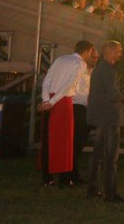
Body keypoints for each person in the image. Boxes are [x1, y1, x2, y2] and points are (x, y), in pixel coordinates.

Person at [39, 40, 95, 188]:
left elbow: (47, 80)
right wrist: (54, 101)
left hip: (51, 98)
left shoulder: (60, 59)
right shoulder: (80, 64)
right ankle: (65, 178)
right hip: (63, 102)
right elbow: (69, 85)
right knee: (66, 141)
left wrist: (46, 99)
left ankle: (47, 176)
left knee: (48, 139)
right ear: (87, 51)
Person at [86, 40, 124, 203]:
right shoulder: (109, 71)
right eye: (118, 51)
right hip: (110, 117)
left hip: (100, 116)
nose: (120, 54)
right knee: (111, 156)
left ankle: (92, 189)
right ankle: (110, 193)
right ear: (110, 52)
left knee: (97, 154)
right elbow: (112, 95)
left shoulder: (99, 69)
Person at [69, 45, 101, 184]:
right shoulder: (79, 70)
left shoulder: (93, 72)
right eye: (93, 57)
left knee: (80, 142)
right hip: (77, 107)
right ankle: (70, 173)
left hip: (88, 109)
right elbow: (75, 91)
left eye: (97, 58)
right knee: (75, 143)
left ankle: (73, 172)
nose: (95, 60)